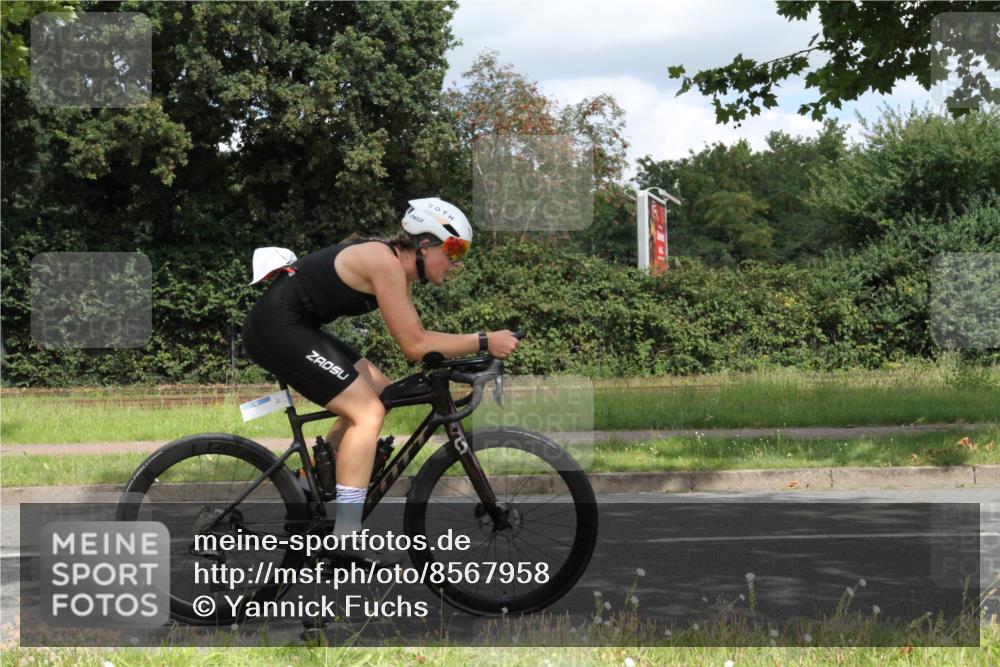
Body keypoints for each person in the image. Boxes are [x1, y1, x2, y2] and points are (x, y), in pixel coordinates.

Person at [241, 197, 520, 561]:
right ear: (424, 243)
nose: (456, 261)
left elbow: (418, 339)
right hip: (276, 328)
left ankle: (309, 481)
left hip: (295, 325)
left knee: (383, 394)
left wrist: (467, 357)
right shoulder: (383, 261)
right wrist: (485, 340)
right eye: (453, 249)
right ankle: (344, 535)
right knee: (367, 412)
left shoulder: (394, 270)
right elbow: (415, 344)